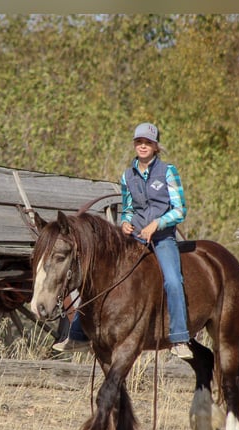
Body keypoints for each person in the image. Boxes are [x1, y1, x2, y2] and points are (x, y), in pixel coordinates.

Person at [53, 122, 193, 359]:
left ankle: (179, 339)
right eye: (139, 142)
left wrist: (156, 224)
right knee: (100, 275)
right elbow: (128, 208)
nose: (143, 146)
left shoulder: (168, 171)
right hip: (134, 237)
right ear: (135, 144)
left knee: (172, 280)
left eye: (148, 143)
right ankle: (77, 335)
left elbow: (180, 210)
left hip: (162, 238)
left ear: (156, 147)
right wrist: (126, 222)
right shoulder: (128, 175)